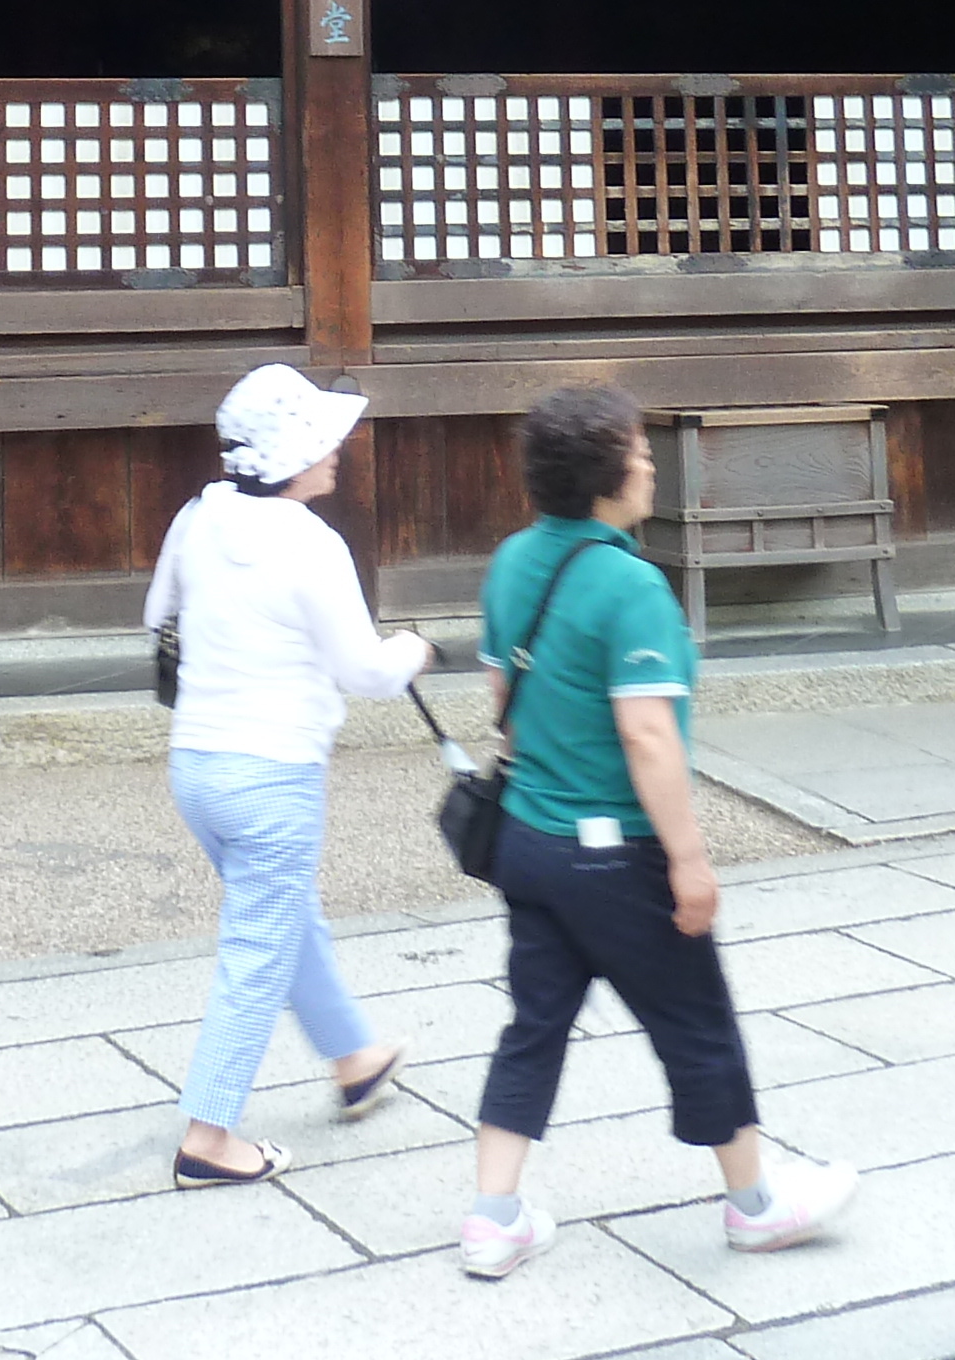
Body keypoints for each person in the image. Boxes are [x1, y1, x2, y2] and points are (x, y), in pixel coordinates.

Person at [459, 381, 856, 1280]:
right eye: (639, 452)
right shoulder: (632, 586)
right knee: (696, 1022)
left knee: (534, 1025)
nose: (649, 466)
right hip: (618, 854)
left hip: (527, 840)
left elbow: (501, 702)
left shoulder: (513, 562)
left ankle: (492, 1217)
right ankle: (755, 1205)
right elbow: (647, 736)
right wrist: (689, 861)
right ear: (607, 477)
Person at [143, 360, 435, 1187]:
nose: (339, 450)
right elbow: (366, 671)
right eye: (324, 439)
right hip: (273, 771)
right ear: (291, 454)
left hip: (197, 763)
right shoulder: (312, 545)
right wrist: (419, 647)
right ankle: (209, 1136)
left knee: (281, 916)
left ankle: (356, 1058)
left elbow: (156, 614)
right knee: (257, 947)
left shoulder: (198, 519)